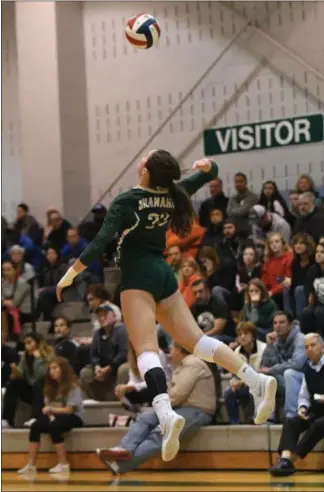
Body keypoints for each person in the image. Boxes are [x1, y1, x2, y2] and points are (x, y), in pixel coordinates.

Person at [56, 150, 277, 463]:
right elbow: (210, 171)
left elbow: (100, 242)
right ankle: (256, 379)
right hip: (163, 273)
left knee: (145, 348)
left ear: (145, 170)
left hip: (137, 276)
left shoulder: (128, 200)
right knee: (197, 342)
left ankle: (164, 412)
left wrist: (68, 276)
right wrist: (206, 165)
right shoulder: (174, 192)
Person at [96, 343, 217, 474]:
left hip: (197, 410)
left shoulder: (194, 364)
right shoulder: (182, 366)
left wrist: (160, 405)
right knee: (145, 418)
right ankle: (124, 448)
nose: (169, 352)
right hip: (178, 408)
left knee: (161, 433)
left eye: (172, 348)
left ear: (179, 350)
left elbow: (178, 394)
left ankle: (120, 465)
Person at [269, 333, 324, 476]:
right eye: (306, 347)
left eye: (313, 345)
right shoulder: (307, 368)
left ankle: (293, 460)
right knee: (291, 422)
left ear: (322, 347)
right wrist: (302, 407)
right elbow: (304, 395)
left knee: (318, 424)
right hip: (317, 409)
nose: (309, 349)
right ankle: (285, 459)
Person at [17, 357, 84, 475]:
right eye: (50, 369)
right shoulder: (50, 388)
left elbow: (70, 410)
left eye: (55, 368)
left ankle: (64, 464)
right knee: (35, 426)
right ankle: (31, 465)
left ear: (63, 370)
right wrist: (49, 412)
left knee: (54, 426)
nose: (51, 371)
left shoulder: (74, 387)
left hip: (74, 417)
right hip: (55, 415)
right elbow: (47, 405)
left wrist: (52, 410)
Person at [2, 332, 54, 428]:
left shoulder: (49, 356)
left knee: (38, 384)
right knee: (13, 384)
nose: (27, 346)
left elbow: (41, 375)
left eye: (29, 343)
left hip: (45, 391)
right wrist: (14, 371)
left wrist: (38, 358)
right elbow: (20, 374)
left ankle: (35, 417)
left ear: (38, 343)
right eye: (25, 343)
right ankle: (6, 420)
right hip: (31, 391)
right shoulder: (25, 357)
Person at [260, 311, 307, 419]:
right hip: (285, 381)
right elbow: (265, 365)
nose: (278, 326)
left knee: (289, 373)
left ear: (290, 325)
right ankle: (267, 417)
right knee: (265, 377)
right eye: (275, 323)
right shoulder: (276, 341)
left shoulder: (300, 339)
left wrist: (272, 369)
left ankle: (292, 416)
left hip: (302, 381)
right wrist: (270, 345)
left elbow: (297, 364)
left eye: (282, 322)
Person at [79, 304, 127, 401]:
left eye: (105, 315)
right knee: (85, 372)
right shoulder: (98, 333)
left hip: (119, 364)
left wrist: (109, 368)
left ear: (114, 315)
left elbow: (123, 353)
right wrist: (97, 366)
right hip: (103, 366)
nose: (102, 318)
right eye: (100, 316)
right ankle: (94, 399)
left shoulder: (122, 330)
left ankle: (122, 398)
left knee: (123, 369)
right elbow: (94, 354)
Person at [225, 322, 266, 424]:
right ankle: (234, 422)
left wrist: (242, 382)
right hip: (245, 385)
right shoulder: (237, 351)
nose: (242, 337)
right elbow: (235, 373)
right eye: (240, 334)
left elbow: (262, 373)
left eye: (246, 333)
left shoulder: (264, 349)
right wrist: (234, 382)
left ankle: (252, 421)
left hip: (261, 385)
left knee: (254, 390)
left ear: (253, 336)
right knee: (229, 392)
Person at [191, 279, 236, 344]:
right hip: (206, 338)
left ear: (207, 290)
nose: (198, 296)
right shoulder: (194, 307)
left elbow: (218, 330)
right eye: (195, 293)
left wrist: (201, 337)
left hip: (225, 337)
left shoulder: (218, 303)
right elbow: (192, 327)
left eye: (200, 291)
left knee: (211, 341)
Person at [261, 233, 293, 311]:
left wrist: (272, 292)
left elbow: (286, 281)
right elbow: (264, 280)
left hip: (283, 290)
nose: (274, 244)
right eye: (271, 243)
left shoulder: (289, 257)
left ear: (283, 243)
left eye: (276, 241)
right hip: (271, 292)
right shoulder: (268, 260)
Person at [300, 243, 324, 337]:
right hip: (318, 302)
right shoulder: (313, 270)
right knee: (306, 313)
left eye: (322, 252)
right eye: (317, 252)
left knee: (319, 312)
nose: (318, 254)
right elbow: (310, 290)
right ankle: (307, 340)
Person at [289, 233, 315, 318]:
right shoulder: (295, 262)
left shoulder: (314, 261)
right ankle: (289, 317)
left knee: (299, 289)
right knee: (287, 289)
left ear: (308, 245)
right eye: (296, 243)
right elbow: (294, 282)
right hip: (298, 290)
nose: (297, 246)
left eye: (301, 243)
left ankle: (300, 319)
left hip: (311, 291)